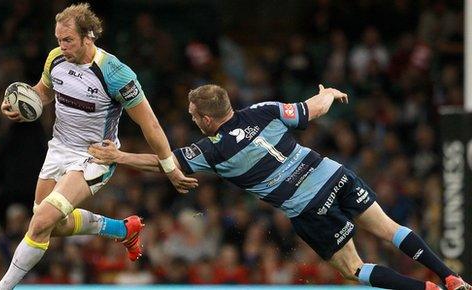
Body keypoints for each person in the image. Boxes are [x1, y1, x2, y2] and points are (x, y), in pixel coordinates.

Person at [88, 84, 472, 290]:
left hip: (309, 208)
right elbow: (313, 108)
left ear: (206, 118)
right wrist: (327, 94)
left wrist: (118, 157)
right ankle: (449, 276)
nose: (193, 121)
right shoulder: (263, 109)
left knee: (354, 270)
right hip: (334, 174)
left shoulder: (212, 149)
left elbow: (163, 162)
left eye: (193, 117)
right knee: (389, 229)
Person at [0, 3, 197, 289]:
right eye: (58, 40)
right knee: (52, 224)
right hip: (59, 149)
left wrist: (169, 167)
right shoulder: (55, 59)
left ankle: (1, 287)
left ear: (88, 37)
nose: (62, 46)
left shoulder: (116, 74)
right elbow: (44, 92)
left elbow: (149, 124)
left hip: (94, 156)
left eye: (68, 40)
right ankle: (122, 229)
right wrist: (23, 104)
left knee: (41, 222)